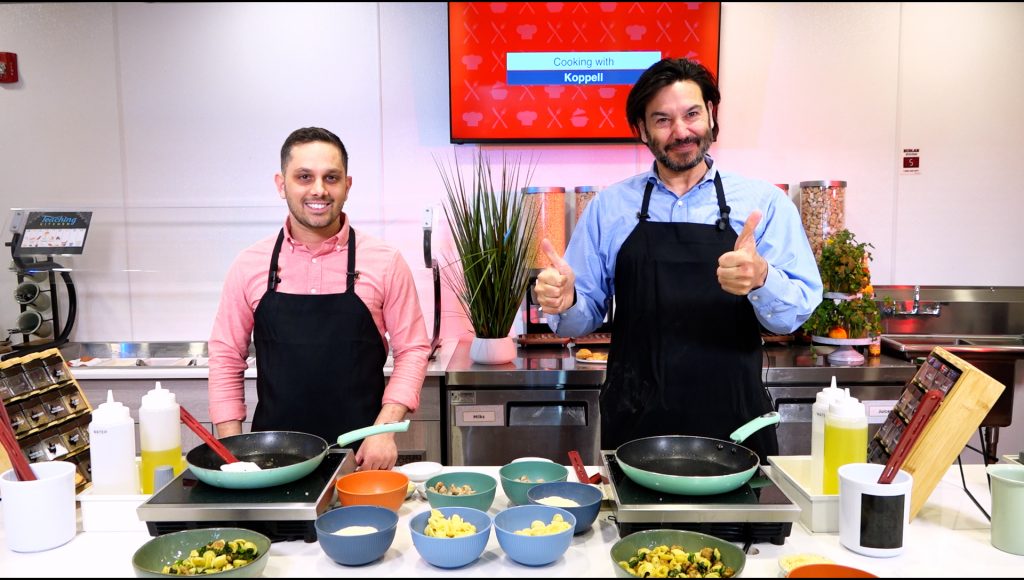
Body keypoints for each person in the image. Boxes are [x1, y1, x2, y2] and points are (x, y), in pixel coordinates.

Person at [534, 58, 823, 461]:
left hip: (735, 423)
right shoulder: (609, 207)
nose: (682, 132)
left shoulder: (763, 204)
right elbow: (583, 316)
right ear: (642, 131)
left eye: (692, 114)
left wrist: (762, 278)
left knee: (739, 526)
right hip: (636, 424)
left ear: (711, 115)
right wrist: (565, 304)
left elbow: (792, 316)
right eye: (663, 120)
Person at [208, 127, 430, 470]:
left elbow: (413, 349)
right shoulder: (249, 264)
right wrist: (231, 448)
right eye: (304, 177)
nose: (319, 189)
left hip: (361, 458)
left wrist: (383, 430)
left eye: (331, 177)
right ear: (281, 184)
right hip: (271, 460)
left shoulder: (385, 261)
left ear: (347, 185)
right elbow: (225, 357)